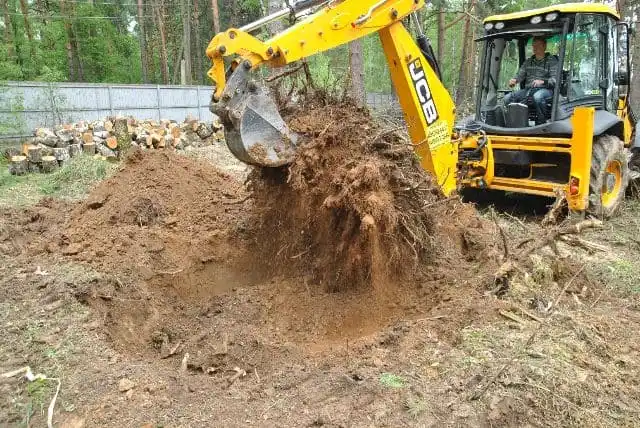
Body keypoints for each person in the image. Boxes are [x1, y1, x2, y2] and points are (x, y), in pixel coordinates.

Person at [504, 36, 558, 125]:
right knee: (507, 98)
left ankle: (542, 123)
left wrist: (542, 82)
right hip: (528, 90)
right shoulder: (528, 62)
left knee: (538, 97)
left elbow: (555, 80)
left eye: (538, 45)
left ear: (544, 46)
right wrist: (514, 80)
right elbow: (519, 75)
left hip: (546, 90)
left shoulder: (552, 61)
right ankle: (517, 123)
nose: (535, 47)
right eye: (534, 45)